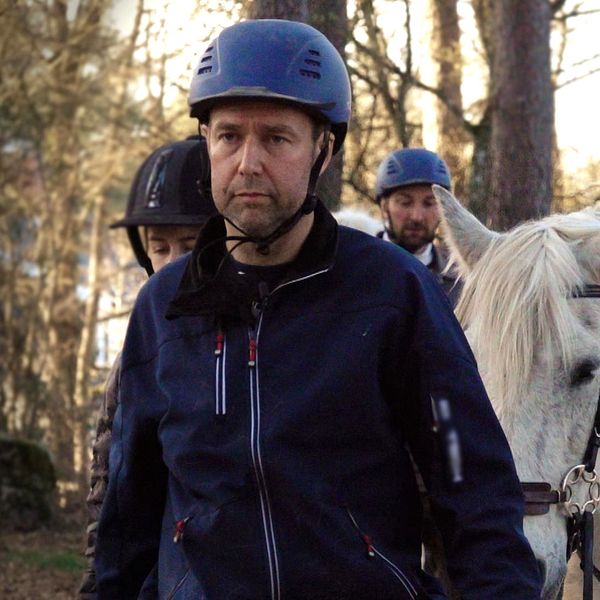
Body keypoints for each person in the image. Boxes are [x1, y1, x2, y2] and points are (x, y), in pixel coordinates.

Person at [95, 19, 542, 599]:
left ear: (323, 150)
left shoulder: (393, 292)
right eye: (228, 136)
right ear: (206, 142)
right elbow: (128, 513)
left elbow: (471, 482)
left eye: (276, 138)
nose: (247, 162)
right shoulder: (165, 306)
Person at [78, 136, 215, 599]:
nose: (172, 265)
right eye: (160, 247)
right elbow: (109, 486)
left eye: (190, 246)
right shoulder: (139, 351)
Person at [375, 148, 460, 303]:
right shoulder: (355, 270)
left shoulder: (459, 281)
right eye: (405, 203)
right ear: (384, 206)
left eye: (429, 203)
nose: (417, 217)